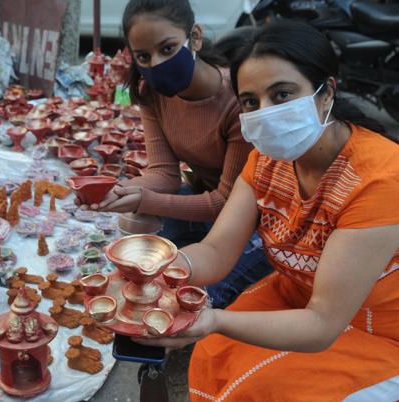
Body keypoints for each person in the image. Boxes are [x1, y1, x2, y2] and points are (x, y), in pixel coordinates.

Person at [136, 20, 399, 401]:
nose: (266, 112)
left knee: (263, 388)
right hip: (295, 295)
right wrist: (156, 270)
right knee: (213, 356)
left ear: (327, 93)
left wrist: (214, 320)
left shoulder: (380, 179)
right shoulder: (266, 160)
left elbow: (322, 324)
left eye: (282, 94)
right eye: (250, 102)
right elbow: (215, 251)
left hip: (375, 328)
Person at [79, 0, 271, 309]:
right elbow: (164, 174)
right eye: (144, 56)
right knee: (134, 262)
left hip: (256, 223)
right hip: (211, 208)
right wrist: (112, 191)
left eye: (167, 48)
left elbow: (224, 202)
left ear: (194, 36)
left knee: (187, 298)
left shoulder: (237, 101)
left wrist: (142, 198)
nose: (156, 63)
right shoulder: (152, 92)